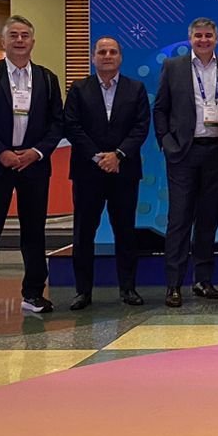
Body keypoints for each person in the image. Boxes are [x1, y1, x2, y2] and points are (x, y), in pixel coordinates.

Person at [0, 15, 65, 318]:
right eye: (14, 35)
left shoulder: (47, 78)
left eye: (25, 35)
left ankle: (33, 293)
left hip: (33, 167)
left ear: (33, 42)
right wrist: (1, 152)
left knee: (34, 232)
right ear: (3, 41)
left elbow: (57, 123)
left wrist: (36, 152)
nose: (19, 40)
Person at [153, 18, 218, 307]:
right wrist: (167, 144)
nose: (203, 40)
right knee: (179, 219)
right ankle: (174, 284)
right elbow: (160, 109)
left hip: (216, 153)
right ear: (190, 39)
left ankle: (203, 280)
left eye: (208, 35)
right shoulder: (173, 66)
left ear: (216, 38)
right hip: (183, 153)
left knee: (208, 219)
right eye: (198, 36)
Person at [63, 36, 151, 310]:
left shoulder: (135, 88)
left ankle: (128, 288)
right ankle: (83, 292)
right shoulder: (79, 89)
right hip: (87, 172)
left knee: (125, 232)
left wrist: (118, 155)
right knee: (84, 233)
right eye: (102, 52)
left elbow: (141, 126)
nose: (107, 56)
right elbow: (72, 126)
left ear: (120, 57)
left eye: (113, 51)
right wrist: (98, 156)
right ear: (93, 58)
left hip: (124, 171)